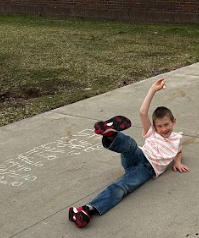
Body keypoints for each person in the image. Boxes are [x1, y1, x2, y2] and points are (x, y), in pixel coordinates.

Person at [68, 78, 189, 228]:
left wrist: (177, 162)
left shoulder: (178, 138)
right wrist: (152, 90)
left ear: (174, 121)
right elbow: (143, 112)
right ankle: (110, 133)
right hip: (139, 155)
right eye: (160, 126)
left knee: (122, 187)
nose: (164, 129)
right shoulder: (152, 132)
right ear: (155, 127)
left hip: (147, 169)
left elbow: (178, 149)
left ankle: (87, 210)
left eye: (167, 124)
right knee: (131, 145)